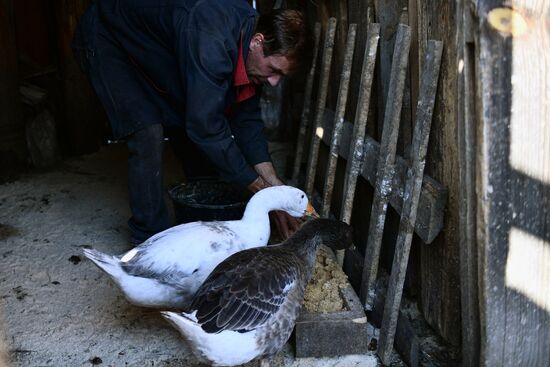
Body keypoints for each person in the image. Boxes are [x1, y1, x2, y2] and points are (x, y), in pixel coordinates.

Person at [72, 0, 312, 244]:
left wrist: (275, 187)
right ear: (257, 42)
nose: (274, 82)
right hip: (106, 36)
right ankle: (150, 241)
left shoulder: (249, 44)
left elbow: (246, 120)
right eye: (274, 70)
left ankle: (198, 207)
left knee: (192, 113)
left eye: (282, 75)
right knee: (147, 131)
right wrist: (263, 195)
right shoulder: (212, 39)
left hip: (152, 44)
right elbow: (205, 127)